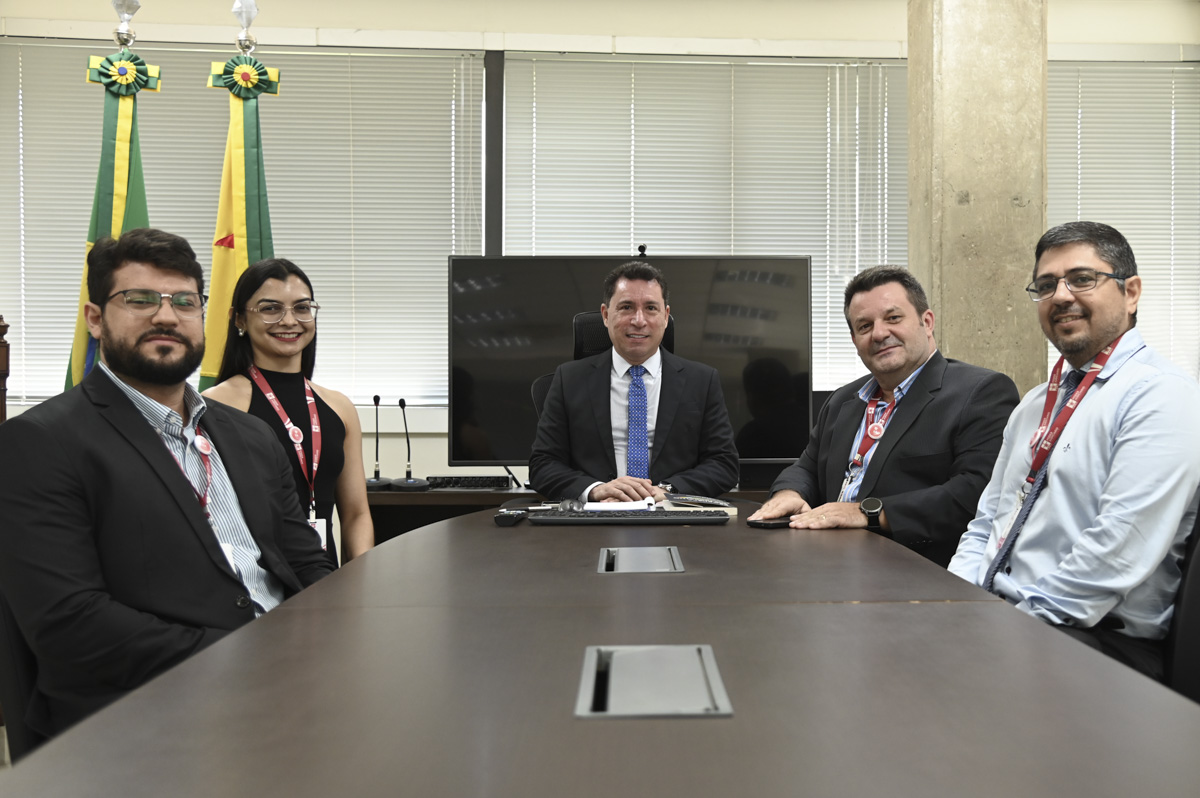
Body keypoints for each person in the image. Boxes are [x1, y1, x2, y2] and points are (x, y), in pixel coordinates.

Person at [0, 228, 333, 738]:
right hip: (149, 718)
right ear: (95, 318)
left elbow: (306, 562)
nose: (166, 316)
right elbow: (70, 623)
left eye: (184, 301)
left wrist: (337, 642)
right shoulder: (41, 442)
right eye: (139, 300)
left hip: (292, 688)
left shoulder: (250, 436)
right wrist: (256, 655)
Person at [949, 222, 1200, 680]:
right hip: (1006, 619)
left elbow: (1118, 549)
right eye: (1046, 285)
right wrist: (954, 603)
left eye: (1082, 279)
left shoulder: (1162, 396)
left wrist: (1007, 627)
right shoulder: (1033, 404)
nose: (1061, 296)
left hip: (1095, 640)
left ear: (1131, 293)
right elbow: (986, 523)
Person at [749, 265, 1019, 567]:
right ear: (855, 341)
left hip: (915, 573)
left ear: (927, 322)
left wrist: (867, 512)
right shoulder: (842, 400)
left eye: (893, 318)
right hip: (824, 563)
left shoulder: (981, 392)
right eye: (865, 326)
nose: (879, 334)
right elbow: (807, 466)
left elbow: (975, 493)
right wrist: (788, 493)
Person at [203, 259, 374, 567]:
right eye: (270, 309)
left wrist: (359, 580)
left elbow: (356, 514)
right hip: (254, 582)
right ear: (239, 319)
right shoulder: (215, 406)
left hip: (325, 581)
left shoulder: (340, 407)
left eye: (302, 308)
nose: (289, 320)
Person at [529, 261, 739, 502]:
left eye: (650, 308)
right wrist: (596, 490)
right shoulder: (569, 380)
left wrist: (667, 491)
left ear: (665, 316)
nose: (639, 320)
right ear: (606, 315)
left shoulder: (702, 381)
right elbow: (542, 465)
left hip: (672, 513)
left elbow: (723, 464)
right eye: (627, 307)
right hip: (595, 514)